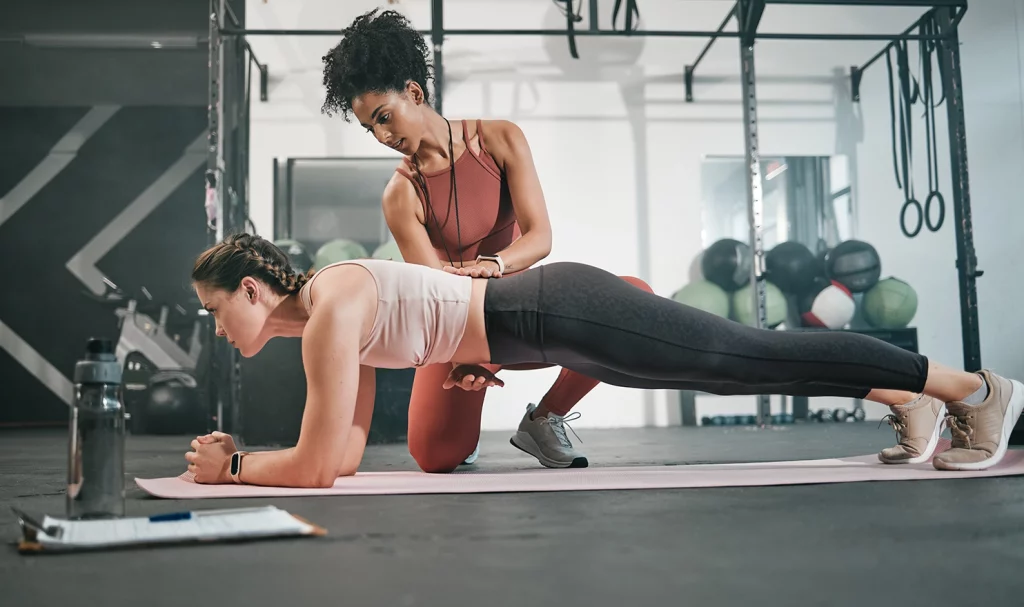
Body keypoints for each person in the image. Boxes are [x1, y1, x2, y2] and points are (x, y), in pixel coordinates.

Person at [185, 234, 1024, 487]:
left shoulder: (334, 307)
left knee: (749, 355)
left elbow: (309, 469)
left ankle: (971, 388)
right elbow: (332, 457)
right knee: (744, 362)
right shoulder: (336, 317)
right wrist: (263, 465)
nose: (214, 326)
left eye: (215, 308)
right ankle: (908, 399)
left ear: (254, 290)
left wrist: (234, 467)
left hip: (558, 308)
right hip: (555, 324)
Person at [318, 8, 656, 472]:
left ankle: (545, 418)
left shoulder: (499, 138)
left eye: (384, 117)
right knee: (436, 457)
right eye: (370, 127)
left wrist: (494, 266)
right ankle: (467, 421)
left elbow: (540, 238)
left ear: (414, 93)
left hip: (518, 310)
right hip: (457, 330)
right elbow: (431, 290)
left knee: (635, 300)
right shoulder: (400, 195)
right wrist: (465, 358)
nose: (382, 135)